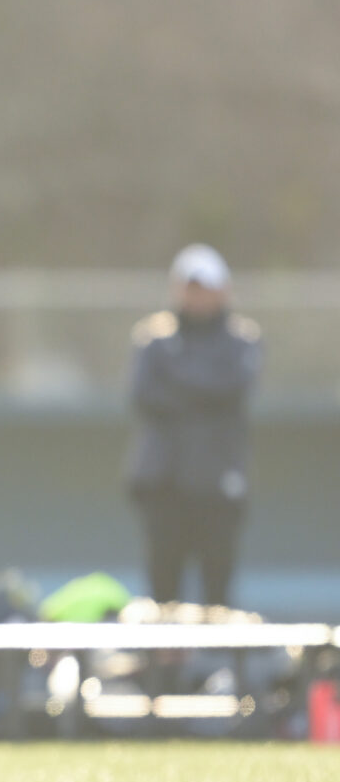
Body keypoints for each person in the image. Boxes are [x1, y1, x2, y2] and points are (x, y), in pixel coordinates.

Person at [127, 243, 261, 608]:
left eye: (206, 288)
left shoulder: (242, 339)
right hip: (163, 481)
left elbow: (231, 389)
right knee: (163, 592)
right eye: (190, 288)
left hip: (217, 484)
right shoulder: (153, 338)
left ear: (223, 290)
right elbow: (145, 396)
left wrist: (178, 378)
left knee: (217, 590)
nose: (197, 297)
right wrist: (203, 390)